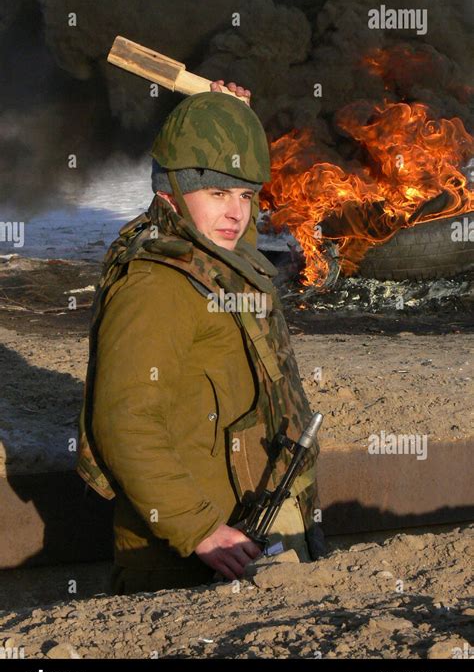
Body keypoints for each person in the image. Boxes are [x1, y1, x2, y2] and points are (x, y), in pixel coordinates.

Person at [76, 80, 325, 595]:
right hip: (185, 562)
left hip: (249, 530)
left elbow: (232, 234)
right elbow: (124, 422)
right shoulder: (156, 285)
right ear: (170, 190)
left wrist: (232, 122)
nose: (237, 212)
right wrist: (201, 530)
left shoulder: (215, 255)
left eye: (246, 195)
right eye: (217, 193)